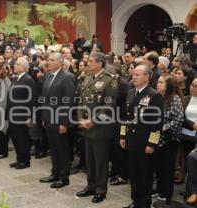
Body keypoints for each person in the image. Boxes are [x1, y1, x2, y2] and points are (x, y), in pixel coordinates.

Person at [76, 52, 118, 203]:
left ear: (100, 63)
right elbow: (81, 101)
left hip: (100, 128)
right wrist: (81, 119)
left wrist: (93, 121)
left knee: (100, 161)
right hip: (87, 126)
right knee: (89, 160)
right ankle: (91, 185)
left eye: (90, 61)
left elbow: (109, 106)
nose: (87, 64)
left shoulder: (109, 80)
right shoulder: (88, 77)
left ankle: (101, 190)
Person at [120, 64, 164, 208]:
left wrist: (152, 144)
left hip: (145, 142)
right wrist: (122, 136)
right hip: (131, 140)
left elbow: (157, 124)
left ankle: (144, 203)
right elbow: (126, 117)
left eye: (137, 75)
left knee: (145, 174)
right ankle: (136, 200)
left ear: (147, 77)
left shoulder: (154, 95)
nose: (134, 77)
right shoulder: (131, 92)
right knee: (134, 173)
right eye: (133, 74)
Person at [39, 52, 75, 188]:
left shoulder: (67, 77)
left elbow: (68, 101)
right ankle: (54, 173)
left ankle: (63, 177)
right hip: (49, 119)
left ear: (60, 62)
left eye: (52, 60)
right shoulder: (48, 75)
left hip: (60, 120)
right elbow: (44, 98)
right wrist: (44, 117)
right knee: (53, 148)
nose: (48, 62)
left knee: (62, 149)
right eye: (48, 59)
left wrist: (64, 122)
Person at [153, 75, 184, 203]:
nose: (157, 84)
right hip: (157, 136)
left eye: (161, 82)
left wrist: (162, 127)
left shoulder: (175, 99)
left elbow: (178, 120)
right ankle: (159, 189)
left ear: (168, 85)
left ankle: (166, 192)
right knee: (158, 166)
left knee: (167, 167)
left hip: (169, 138)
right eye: (158, 82)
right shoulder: (157, 97)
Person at [6, 57, 37, 169]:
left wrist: (29, 117)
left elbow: (31, 99)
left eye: (17, 64)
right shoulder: (15, 79)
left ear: (24, 67)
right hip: (13, 115)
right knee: (15, 138)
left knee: (22, 139)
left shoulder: (28, 80)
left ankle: (25, 161)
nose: (14, 65)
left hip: (22, 116)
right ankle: (19, 159)